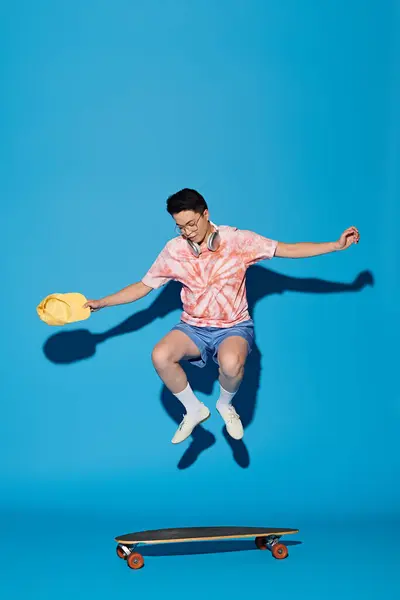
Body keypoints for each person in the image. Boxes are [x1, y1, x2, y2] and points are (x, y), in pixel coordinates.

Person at [84, 188, 360, 444]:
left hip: (234, 327)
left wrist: (334, 246)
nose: (187, 232)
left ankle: (225, 405)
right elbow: (143, 286)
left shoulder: (237, 240)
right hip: (193, 328)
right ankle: (193, 410)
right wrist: (102, 303)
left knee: (230, 364)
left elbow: (285, 249)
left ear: (206, 214)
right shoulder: (174, 250)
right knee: (160, 355)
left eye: (192, 224)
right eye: (180, 227)